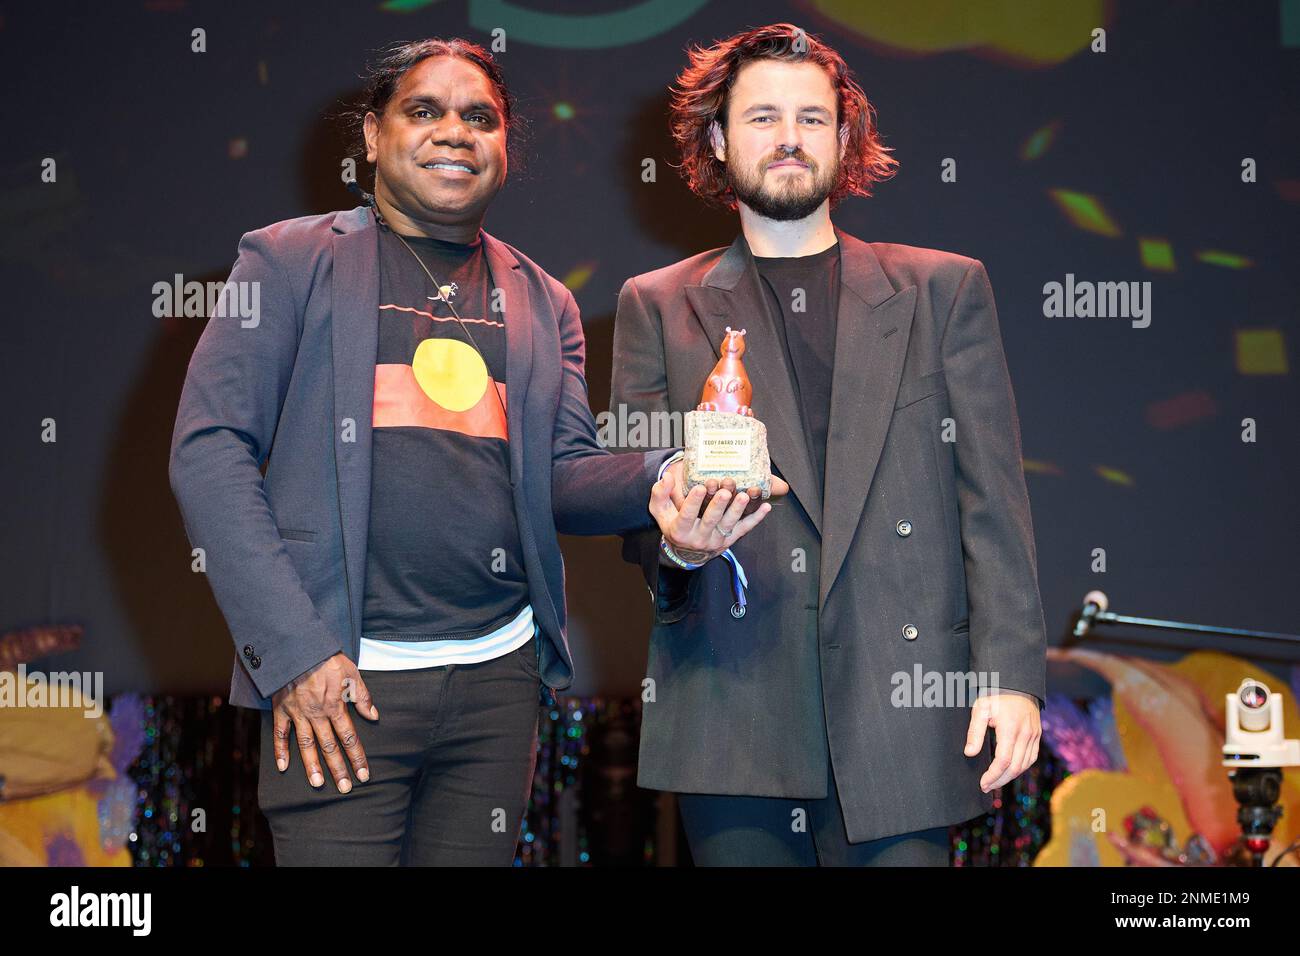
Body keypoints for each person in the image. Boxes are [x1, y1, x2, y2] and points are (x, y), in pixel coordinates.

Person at [169, 37, 774, 866]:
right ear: (373, 137)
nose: (454, 130)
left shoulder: (543, 299)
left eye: (479, 118)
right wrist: (295, 654)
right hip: (339, 683)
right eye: (424, 110)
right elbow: (209, 452)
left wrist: (669, 472)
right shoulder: (288, 261)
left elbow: (561, 476)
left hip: (496, 683)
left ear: (502, 150)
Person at [611, 23, 1047, 866]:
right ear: (718, 138)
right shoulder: (656, 304)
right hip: (733, 709)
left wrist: (1010, 674)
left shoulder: (942, 289)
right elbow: (638, 500)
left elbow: (992, 500)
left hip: (905, 709)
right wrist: (679, 547)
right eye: (763, 117)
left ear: (843, 140)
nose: (788, 139)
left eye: (813, 119)